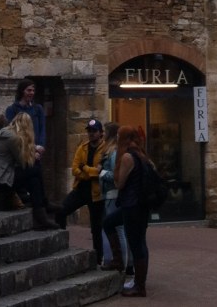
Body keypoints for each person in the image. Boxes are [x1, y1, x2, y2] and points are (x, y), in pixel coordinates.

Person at [0, 113, 59, 229]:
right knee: (35, 170)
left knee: (34, 180)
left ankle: (41, 213)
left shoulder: (8, 133)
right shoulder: (13, 138)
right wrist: (34, 154)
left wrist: (32, 149)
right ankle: (43, 207)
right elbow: (23, 162)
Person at [54, 118, 106, 264]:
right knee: (61, 211)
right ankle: (61, 245)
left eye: (94, 131)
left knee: (96, 227)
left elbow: (100, 171)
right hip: (81, 188)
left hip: (96, 193)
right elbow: (75, 169)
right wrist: (89, 172)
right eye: (89, 131)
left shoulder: (105, 150)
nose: (91, 134)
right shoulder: (82, 147)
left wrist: (86, 169)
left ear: (101, 133)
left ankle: (98, 258)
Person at [114, 126, 153, 297]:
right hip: (142, 205)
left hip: (132, 205)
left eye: (118, 136)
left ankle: (139, 285)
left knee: (136, 244)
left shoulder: (128, 156)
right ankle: (138, 282)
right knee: (140, 242)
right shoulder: (142, 155)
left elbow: (119, 183)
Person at [99, 122, 133, 278]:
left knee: (118, 230)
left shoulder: (113, 153)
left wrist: (102, 173)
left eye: (104, 132)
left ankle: (120, 264)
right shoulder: (111, 151)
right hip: (110, 196)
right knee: (117, 229)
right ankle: (120, 262)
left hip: (113, 196)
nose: (102, 135)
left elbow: (115, 176)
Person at [5, 79, 47, 147]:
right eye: (29, 90)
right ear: (22, 91)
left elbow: (42, 129)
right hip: (19, 147)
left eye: (33, 90)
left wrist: (40, 145)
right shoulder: (12, 109)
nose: (32, 93)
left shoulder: (38, 109)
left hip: (35, 147)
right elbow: (10, 131)